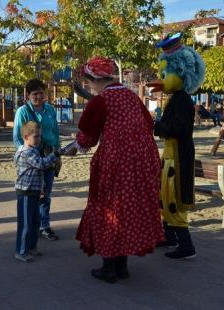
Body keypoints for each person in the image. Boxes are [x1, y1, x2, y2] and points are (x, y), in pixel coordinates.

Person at [68, 56, 164, 283]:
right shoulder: (132, 97)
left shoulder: (101, 101)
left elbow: (88, 137)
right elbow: (149, 125)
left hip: (117, 163)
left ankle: (109, 268)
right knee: (130, 209)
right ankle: (122, 266)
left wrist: (75, 146)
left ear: (94, 79)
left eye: (89, 81)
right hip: (143, 161)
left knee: (110, 210)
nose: (89, 86)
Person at [147, 32, 205, 260]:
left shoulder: (182, 100)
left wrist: (155, 126)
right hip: (172, 153)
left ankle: (186, 245)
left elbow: (178, 130)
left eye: (166, 73)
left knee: (175, 197)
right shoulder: (176, 98)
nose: (162, 78)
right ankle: (169, 236)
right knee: (165, 193)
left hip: (179, 155)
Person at [13, 79, 61, 241]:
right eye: (35, 94)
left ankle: (44, 226)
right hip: (31, 159)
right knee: (35, 194)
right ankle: (32, 227)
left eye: (41, 92)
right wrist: (28, 156)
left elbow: (55, 131)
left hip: (49, 155)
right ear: (28, 95)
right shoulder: (22, 111)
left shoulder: (49, 110)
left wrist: (57, 154)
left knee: (46, 194)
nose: (39, 96)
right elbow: (17, 138)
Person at [13, 121, 61, 262]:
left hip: (34, 191)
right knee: (26, 224)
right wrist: (55, 154)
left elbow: (38, 173)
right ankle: (21, 251)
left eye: (40, 136)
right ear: (26, 137)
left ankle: (32, 248)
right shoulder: (26, 152)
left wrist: (41, 188)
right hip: (25, 192)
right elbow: (41, 164)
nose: (39, 139)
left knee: (35, 222)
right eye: (36, 137)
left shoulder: (33, 150)